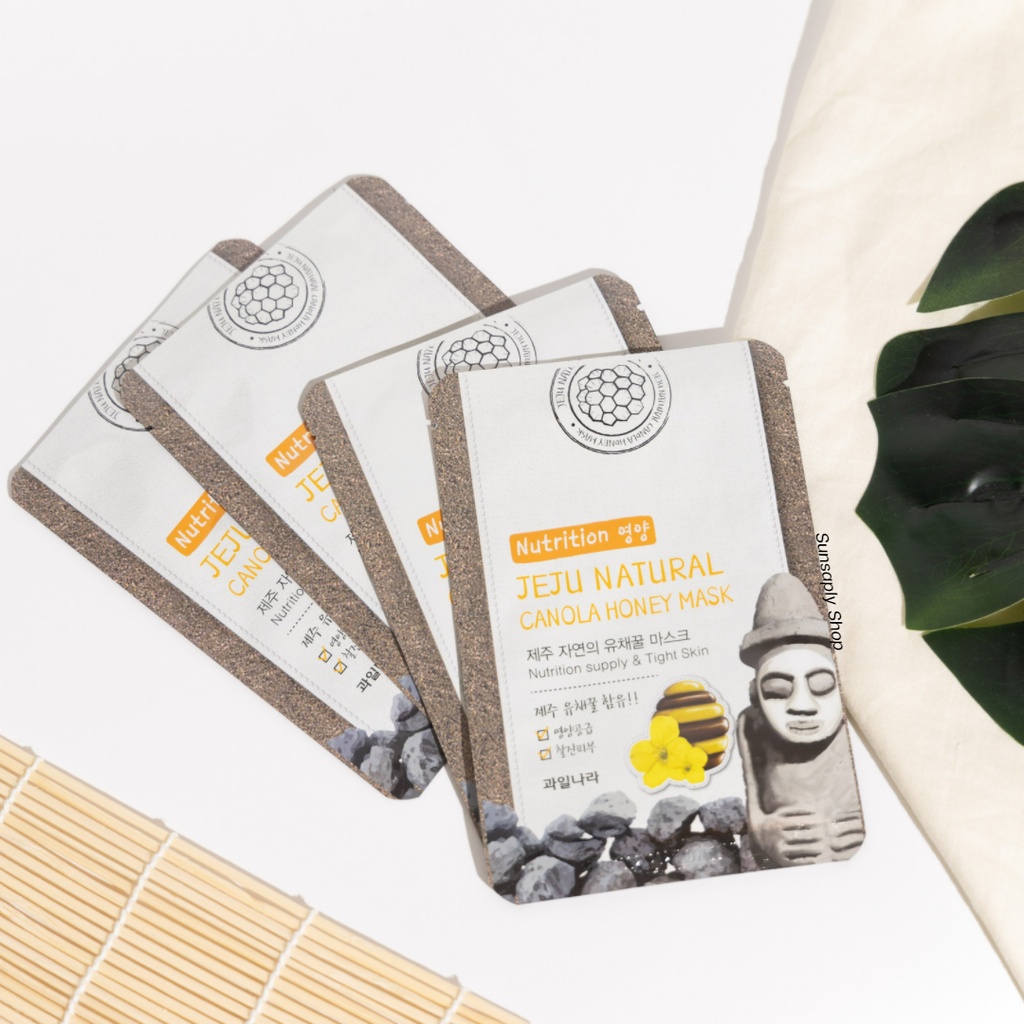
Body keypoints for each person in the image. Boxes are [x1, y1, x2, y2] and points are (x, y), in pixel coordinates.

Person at [736, 573, 865, 868]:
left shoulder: (856, 719)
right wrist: (766, 831)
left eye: (822, 686)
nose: (803, 706)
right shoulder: (751, 726)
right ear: (756, 695)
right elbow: (755, 808)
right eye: (778, 691)